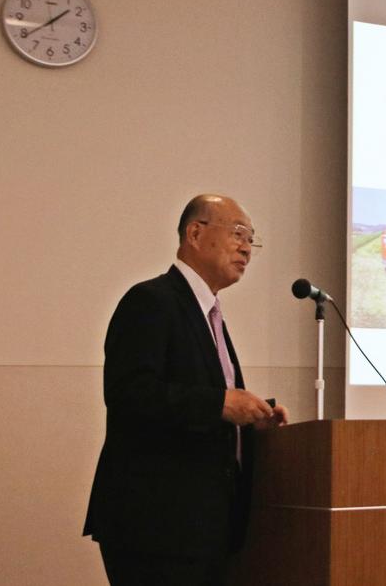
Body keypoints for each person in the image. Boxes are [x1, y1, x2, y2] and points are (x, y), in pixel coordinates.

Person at [83, 194, 289, 586]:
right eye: (238, 233)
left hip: (204, 526)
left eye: (252, 240)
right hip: (156, 527)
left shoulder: (210, 313)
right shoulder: (151, 300)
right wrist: (221, 404)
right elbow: (130, 394)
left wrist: (252, 418)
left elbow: (200, 398)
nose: (247, 248)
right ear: (195, 233)